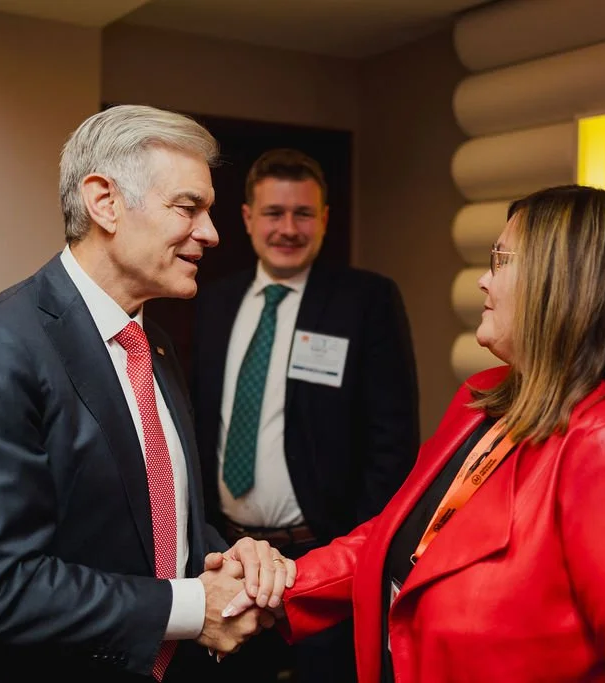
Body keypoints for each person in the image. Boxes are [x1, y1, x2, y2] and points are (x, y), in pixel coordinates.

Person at [265, 185, 605, 682]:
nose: (484, 280)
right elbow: (406, 538)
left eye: (500, 260)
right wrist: (276, 586)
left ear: (566, 279)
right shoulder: (486, 400)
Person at [0, 105, 294, 683]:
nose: (211, 234)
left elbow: (154, 524)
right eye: (188, 208)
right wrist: (195, 608)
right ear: (105, 203)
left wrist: (228, 556)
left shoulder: (154, 344)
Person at [190, 148, 419, 682]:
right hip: (230, 556)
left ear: (325, 219)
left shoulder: (366, 300)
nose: (288, 229)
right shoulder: (213, 301)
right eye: (274, 213)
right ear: (247, 218)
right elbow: (200, 419)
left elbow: (393, 440)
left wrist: (355, 548)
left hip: (321, 557)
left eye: (303, 214)